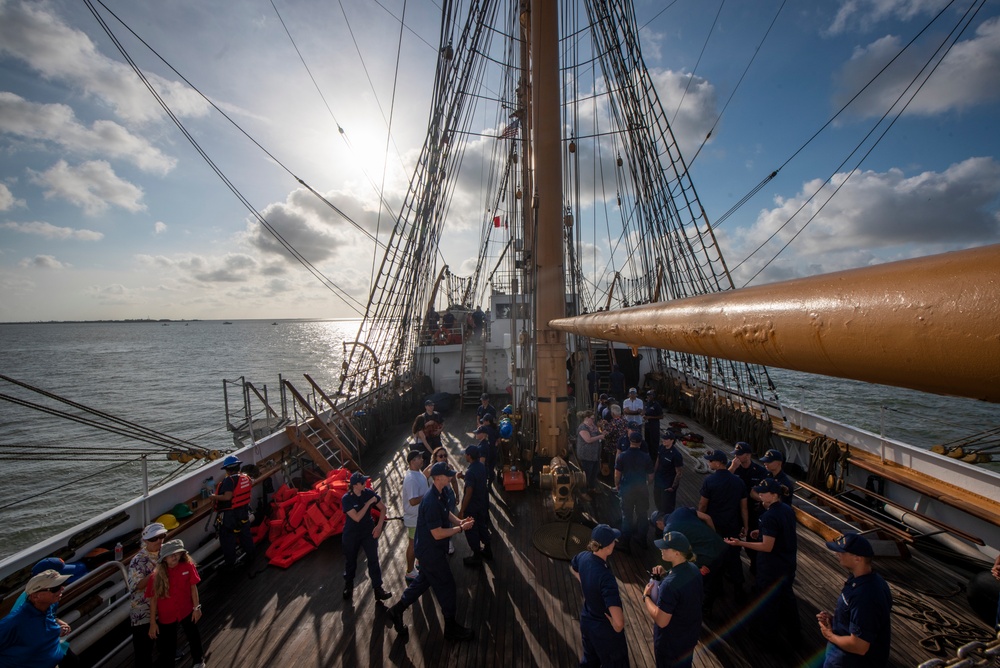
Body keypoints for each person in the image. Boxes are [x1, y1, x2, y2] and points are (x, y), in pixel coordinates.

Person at [387, 461, 476, 642]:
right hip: (430, 552)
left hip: (430, 550)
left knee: (422, 583)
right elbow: (437, 534)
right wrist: (461, 529)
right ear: (438, 478)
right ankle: (450, 628)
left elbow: (446, 514)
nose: (451, 476)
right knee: (448, 586)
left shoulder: (440, 493)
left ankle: (396, 610)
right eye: (448, 474)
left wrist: (460, 522)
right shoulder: (430, 502)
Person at [725, 478, 801, 644]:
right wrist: (761, 532)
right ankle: (796, 634)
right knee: (788, 599)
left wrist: (740, 543)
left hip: (772, 567)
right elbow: (781, 531)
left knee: (769, 603)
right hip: (787, 563)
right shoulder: (787, 509)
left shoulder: (769, 516)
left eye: (763, 492)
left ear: (774, 495)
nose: (759, 494)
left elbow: (767, 547)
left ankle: (766, 638)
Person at [817, 533, 892, 668]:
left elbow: (859, 646)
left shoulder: (866, 596)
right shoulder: (865, 579)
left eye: (842, 551)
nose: (836, 553)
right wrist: (835, 621)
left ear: (858, 559)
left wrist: (829, 635)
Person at [570, 524, 629, 667]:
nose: (615, 542)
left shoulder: (583, 557)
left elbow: (573, 567)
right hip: (604, 631)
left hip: (587, 621)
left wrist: (585, 582)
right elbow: (619, 623)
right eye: (613, 540)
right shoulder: (606, 578)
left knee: (590, 660)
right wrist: (616, 626)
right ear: (608, 547)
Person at [643, 532, 704, 668]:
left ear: (677, 553)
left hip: (670, 646)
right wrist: (667, 572)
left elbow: (662, 621)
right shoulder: (694, 569)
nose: (661, 549)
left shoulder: (669, 585)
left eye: (666, 548)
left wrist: (646, 597)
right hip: (688, 638)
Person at [698, 449, 749, 601]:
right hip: (732, 525)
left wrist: (700, 522)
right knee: (734, 557)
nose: (708, 462)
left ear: (718, 462)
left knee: (714, 557)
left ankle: (716, 589)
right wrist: (746, 526)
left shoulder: (710, 481)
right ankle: (738, 588)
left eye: (711, 460)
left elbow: (702, 505)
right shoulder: (739, 482)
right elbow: (744, 507)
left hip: (714, 526)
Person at [0, 570, 78, 668]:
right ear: (35, 596)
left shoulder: (48, 608)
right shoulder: (15, 621)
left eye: (62, 584)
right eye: (55, 588)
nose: (62, 589)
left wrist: (57, 629)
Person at [146, 540, 204, 668]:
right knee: (168, 645)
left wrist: (196, 608)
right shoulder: (155, 577)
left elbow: (193, 588)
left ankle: (198, 660)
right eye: (171, 554)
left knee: (193, 636)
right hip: (166, 616)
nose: (174, 556)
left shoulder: (188, 567)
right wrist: (152, 623)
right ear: (164, 559)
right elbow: (153, 599)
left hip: (187, 610)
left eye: (177, 553)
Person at [341, 471, 392, 602]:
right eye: (363, 482)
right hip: (352, 533)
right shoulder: (346, 499)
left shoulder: (368, 492)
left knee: (373, 559)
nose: (365, 484)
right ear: (356, 485)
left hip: (367, 531)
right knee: (351, 560)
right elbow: (357, 517)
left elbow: (383, 508)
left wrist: (379, 526)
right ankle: (349, 584)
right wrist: (368, 503)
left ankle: (378, 588)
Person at [128, 522, 168, 664]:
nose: (159, 541)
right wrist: (157, 571)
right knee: (144, 652)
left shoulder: (164, 552)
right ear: (145, 541)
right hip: (143, 612)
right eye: (153, 539)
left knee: (165, 645)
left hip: (162, 607)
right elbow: (137, 585)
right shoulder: (137, 561)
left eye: (161, 536)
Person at [209, 454, 255, 568]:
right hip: (243, 511)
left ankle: (231, 563)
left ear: (227, 470)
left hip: (230, 514)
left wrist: (214, 497)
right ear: (239, 467)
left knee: (227, 538)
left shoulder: (229, 481)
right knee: (245, 534)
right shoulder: (246, 478)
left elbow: (227, 497)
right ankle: (251, 555)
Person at [729, 441, 766, 573]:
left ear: (748, 455)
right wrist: (732, 468)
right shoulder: (732, 467)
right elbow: (723, 480)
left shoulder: (760, 471)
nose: (736, 457)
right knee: (732, 538)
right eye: (735, 454)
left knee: (752, 538)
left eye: (740, 454)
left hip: (753, 510)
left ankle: (754, 564)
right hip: (735, 509)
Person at [615, 431, 654, 551]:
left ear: (630, 441)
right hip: (641, 490)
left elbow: (617, 474)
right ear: (640, 443)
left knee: (627, 516)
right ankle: (642, 541)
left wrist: (617, 485)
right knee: (642, 515)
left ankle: (625, 543)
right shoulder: (646, 457)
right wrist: (646, 484)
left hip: (627, 490)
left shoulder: (622, 456)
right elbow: (651, 476)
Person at [458, 444, 493, 566]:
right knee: (482, 526)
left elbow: (469, 492)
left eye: (466, 454)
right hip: (481, 503)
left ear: (469, 456)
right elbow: (477, 482)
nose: (465, 456)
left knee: (472, 530)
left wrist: (462, 510)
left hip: (472, 506)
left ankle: (476, 556)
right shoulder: (481, 467)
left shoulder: (470, 471)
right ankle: (488, 550)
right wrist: (463, 477)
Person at [425, 446, 461, 555]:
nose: (443, 458)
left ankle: (449, 541)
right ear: (435, 457)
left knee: (448, 518)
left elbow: (454, 481)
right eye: (440, 456)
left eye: (445, 455)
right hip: (437, 495)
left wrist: (457, 494)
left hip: (448, 494)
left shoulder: (449, 467)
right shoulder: (430, 469)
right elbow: (422, 480)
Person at [402, 449, 430, 583]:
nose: (422, 460)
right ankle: (410, 571)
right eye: (419, 458)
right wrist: (428, 496)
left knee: (421, 541)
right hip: (414, 518)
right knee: (412, 544)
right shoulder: (411, 479)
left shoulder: (418, 473)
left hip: (421, 515)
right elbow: (413, 501)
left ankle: (419, 562)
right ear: (412, 461)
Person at [576, 410, 606, 500]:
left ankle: (592, 487)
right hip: (586, 455)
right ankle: (583, 492)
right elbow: (588, 440)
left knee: (594, 472)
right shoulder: (582, 428)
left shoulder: (592, 426)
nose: (593, 420)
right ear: (586, 418)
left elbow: (597, 434)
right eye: (592, 418)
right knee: (586, 474)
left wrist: (602, 433)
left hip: (595, 454)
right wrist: (600, 437)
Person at [653, 433, 683, 514]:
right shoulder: (661, 447)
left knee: (667, 505)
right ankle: (659, 513)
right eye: (663, 438)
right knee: (657, 499)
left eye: (666, 439)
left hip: (667, 483)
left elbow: (679, 473)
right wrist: (653, 474)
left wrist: (673, 487)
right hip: (658, 480)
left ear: (672, 441)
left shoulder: (676, 455)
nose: (663, 440)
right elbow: (657, 461)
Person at [643, 390, 663, 460]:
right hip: (647, 425)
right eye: (648, 396)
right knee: (647, 440)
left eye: (650, 396)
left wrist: (650, 417)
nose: (648, 397)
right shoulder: (647, 404)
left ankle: (654, 458)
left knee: (654, 442)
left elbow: (661, 416)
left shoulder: (656, 405)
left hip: (654, 425)